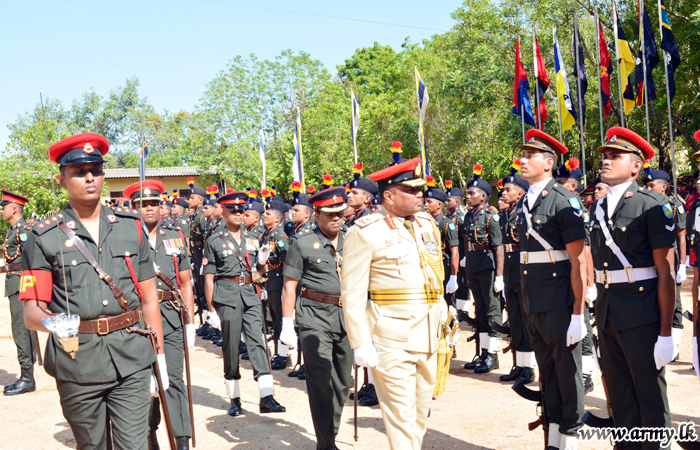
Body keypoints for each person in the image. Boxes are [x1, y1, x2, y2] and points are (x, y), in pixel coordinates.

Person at [21, 132, 167, 450]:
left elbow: (150, 298)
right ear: (62, 180)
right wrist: (56, 324)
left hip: (132, 354)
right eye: (79, 171)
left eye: (96, 170)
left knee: (135, 445)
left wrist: (160, 358)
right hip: (77, 361)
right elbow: (32, 311)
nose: (90, 177)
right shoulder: (43, 237)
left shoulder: (131, 227)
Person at [341, 145, 447, 450]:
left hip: (428, 333)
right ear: (389, 196)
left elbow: (433, 274)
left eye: (420, 191)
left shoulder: (427, 224)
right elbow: (353, 292)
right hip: (391, 335)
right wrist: (360, 342)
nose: (420, 196)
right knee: (400, 416)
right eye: (410, 191)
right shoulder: (365, 231)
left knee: (419, 414)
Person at [590, 127, 677, 450]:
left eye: (616, 156)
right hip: (608, 310)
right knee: (621, 395)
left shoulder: (652, 204)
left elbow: (665, 273)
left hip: (642, 312)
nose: (607, 162)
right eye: (605, 157)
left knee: (649, 396)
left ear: (637, 166)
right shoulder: (597, 208)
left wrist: (667, 332)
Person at [517, 129, 587, 450]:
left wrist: (577, 313)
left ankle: (570, 439)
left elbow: (579, 261)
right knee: (547, 372)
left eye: (530, 155)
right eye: (523, 154)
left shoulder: (563, 200)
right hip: (533, 300)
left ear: (548, 163)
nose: (523, 160)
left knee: (568, 373)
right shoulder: (524, 203)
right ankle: (555, 439)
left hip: (559, 300)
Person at [279, 186, 352, 450]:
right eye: (330, 214)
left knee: (343, 384)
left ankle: (328, 432)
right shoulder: (303, 243)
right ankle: (326, 443)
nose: (336, 218)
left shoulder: (352, 238)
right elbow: (289, 287)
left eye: (340, 213)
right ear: (317, 215)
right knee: (320, 378)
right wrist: (287, 326)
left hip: (347, 319)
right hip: (314, 318)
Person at [124, 181, 196, 450]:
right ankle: (149, 433)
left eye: (154, 203)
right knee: (144, 380)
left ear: (161, 206)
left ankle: (182, 438)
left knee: (174, 379)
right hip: (139, 320)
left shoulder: (175, 235)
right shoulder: (126, 238)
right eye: (142, 205)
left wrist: (189, 323)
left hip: (171, 316)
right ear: (133, 208)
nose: (149, 209)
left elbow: (187, 282)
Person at [202, 191, 286, 416]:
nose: (238, 214)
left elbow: (258, 273)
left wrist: (261, 263)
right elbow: (209, 276)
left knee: (258, 341)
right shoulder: (214, 240)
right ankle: (234, 397)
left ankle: (266, 396)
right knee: (230, 345)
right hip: (226, 295)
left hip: (249, 293)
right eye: (233, 211)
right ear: (225, 212)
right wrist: (211, 310)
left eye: (241, 211)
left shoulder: (252, 238)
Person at [554, 158, 597, 394]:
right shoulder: (560, 206)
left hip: (579, 275)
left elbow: (585, 252)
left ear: (572, 186)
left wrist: (590, 284)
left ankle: (586, 374)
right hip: (563, 275)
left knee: (584, 323)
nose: (556, 185)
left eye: (561, 182)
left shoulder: (577, 210)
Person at [460, 164, 504, 374]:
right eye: (467, 193)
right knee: (480, 310)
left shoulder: (490, 215)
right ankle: (484, 352)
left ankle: (493, 354)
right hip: (474, 266)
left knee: (492, 309)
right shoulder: (469, 216)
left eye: (471, 193)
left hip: (488, 266)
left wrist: (500, 276)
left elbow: (499, 247)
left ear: (484, 197)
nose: (467, 197)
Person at [498, 162, 536, 385]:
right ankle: (519, 365)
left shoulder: (525, 210)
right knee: (515, 318)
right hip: (511, 268)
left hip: (523, 267)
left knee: (526, 318)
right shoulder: (506, 214)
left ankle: (529, 368)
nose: (504, 193)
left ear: (520, 193)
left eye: (508, 190)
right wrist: (501, 276)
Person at [643, 165, 687, 356]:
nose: (648, 188)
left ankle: (674, 344)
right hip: (652, 259)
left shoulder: (674, 205)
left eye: (652, 185)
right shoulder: (645, 204)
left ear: (663, 187)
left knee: (674, 301)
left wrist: (682, 265)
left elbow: (682, 236)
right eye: (647, 185)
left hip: (672, 259)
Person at [1, 190, 37, 395]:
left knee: (22, 330)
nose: (2, 210)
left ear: (14, 208)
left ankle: (27, 378)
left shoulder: (23, 230)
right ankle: (26, 375)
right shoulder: (13, 230)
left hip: (21, 284)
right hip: (14, 282)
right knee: (19, 329)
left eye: (4, 207)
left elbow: (32, 258)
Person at [259, 198, 291, 370]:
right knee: (273, 317)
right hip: (270, 279)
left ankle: (284, 355)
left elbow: (286, 261)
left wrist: (286, 286)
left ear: (277, 219)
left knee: (279, 319)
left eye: (268, 214)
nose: (265, 215)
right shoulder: (266, 234)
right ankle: (279, 352)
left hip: (279, 280)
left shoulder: (280, 236)